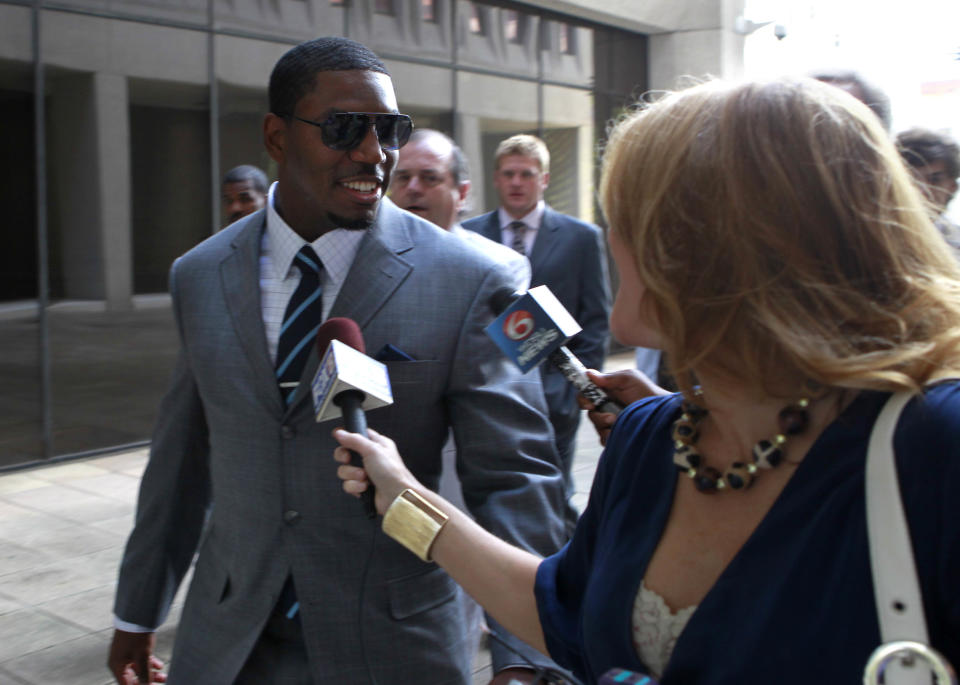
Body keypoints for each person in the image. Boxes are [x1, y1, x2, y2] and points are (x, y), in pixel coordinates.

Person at [333, 77, 960, 684]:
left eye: (627, 212)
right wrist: (403, 499)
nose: (613, 235)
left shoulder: (933, 445)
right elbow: (562, 613)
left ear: (700, 244)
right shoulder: (649, 439)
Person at [107, 36, 566, 684]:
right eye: (347, 128)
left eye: (389, 130)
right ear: (276, 135)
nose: (375, 154)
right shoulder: (200, 274)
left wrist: (525, 657)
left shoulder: (472, 279)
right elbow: (181, 459)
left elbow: (515, 480)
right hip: (230, 641)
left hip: (395, 643)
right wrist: (137, 608)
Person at [463, 134, 610, 532]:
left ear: (543, 179)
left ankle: (563, 573)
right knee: (492, 497)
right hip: (486, 394)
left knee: (555, 498)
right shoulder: (468, 235)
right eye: (509, 174)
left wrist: (574, 390)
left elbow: (596, 319)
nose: (516, 182)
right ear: (495, 178)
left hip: (554, 397)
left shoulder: (581, 238)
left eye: (526, 174)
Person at [391, 128, 530, 291]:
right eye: (403, 178)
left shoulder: (503, 265)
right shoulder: (371, 256)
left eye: (430, 178)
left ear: (462, 193)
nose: (413, 188)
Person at [896, 127, 960, 248]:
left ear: (952, 187)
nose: (922, 190)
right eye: (911, 180)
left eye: (934, 180)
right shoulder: (871, 239)